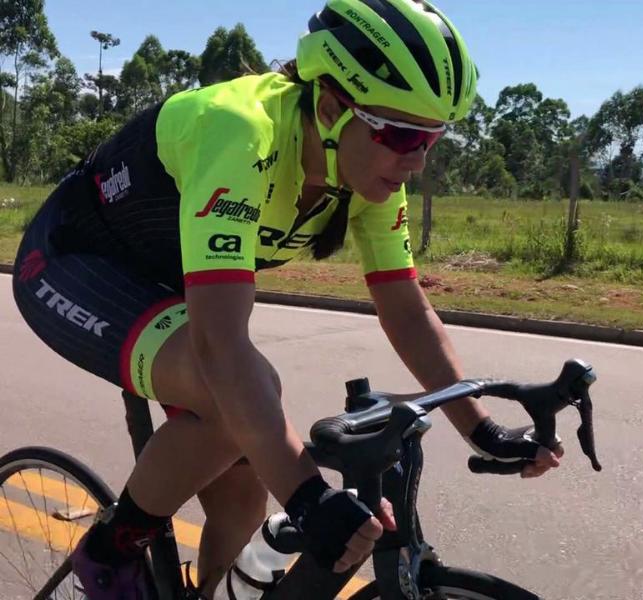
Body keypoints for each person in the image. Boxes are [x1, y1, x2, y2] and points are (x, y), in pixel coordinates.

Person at [12, 0, 563, 597]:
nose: (417, 160)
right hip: (77, 262)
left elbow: (405, 308)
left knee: (244, 502)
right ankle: (110, 551)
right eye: (401, 134)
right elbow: (221, 348)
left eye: (431, 139)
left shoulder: (365, 176)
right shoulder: (241, 132)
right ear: (330, 106)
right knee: (236, 405)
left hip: (172, 285)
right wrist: (309, 499)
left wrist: (482, 430)